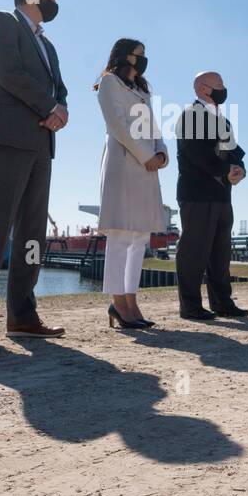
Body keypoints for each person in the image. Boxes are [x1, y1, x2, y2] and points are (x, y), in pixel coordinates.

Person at [0, 0, 69, 346]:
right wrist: (49, 106)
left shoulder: (49, 46)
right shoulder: (1, 22)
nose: (56, 2)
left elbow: (61, 89)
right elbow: (8, 72)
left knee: (32, 234)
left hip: (42, 143)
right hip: (7, 136)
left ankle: (22, 315)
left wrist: (62, 109)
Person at [95, 39, 169, 329]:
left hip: (147, 166)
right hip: (124, 162)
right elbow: (117, 125)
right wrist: (146, 154)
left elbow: (153, 126)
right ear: (125, 56)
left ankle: (131, 299)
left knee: (139, 238)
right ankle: (118, 302)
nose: (144, 60)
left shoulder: (142, 90)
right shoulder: (109, 82)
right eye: (139, 55)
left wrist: (161, 152)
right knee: (121, 235)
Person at [175, 72, 248, 320]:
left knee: (220, 252)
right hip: (197, 194)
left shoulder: (223, 121)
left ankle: (222, 302)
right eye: (219, 85)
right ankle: (190, 306)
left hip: (222, 194)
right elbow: (197, 155)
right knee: (194, 251)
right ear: (203, 89)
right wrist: (226, 170)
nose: (224, 89)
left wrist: (239, 170)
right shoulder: (190, 116)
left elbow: (234, 152)